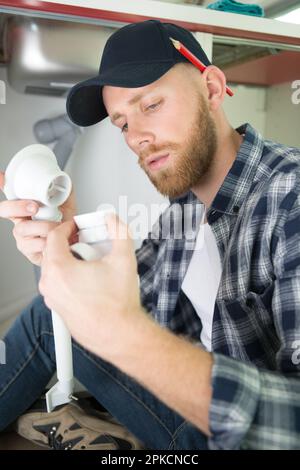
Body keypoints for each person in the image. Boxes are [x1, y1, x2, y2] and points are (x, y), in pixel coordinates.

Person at [0, 19, 300, 450]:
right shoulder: (182, 211)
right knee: (51, 317)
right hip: (181, 415)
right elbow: (119, 309)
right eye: (122, 123)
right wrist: (65, 248)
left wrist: (126, 336)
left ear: (212, 89)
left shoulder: (290, 196)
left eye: (151, 105)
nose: (136, 137)